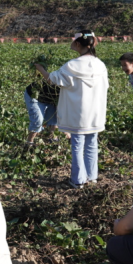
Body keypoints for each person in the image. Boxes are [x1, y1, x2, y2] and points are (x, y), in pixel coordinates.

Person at [35, 31, 109, 188]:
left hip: (78, 113)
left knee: (77, 145)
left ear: (77, 44)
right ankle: (92, 176)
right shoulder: (100, 64)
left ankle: (78, 180)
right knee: (91, 143)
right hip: (95, 112)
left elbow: (51, 79)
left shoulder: (72, 66)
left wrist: (40, 68)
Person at [23, 60, 61, 147]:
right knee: (38, 120)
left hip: (50, 99)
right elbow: (49, 79)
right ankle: (29, 143)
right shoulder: (65, 80)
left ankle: (52, 138)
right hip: (34, 95)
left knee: (55, 117)